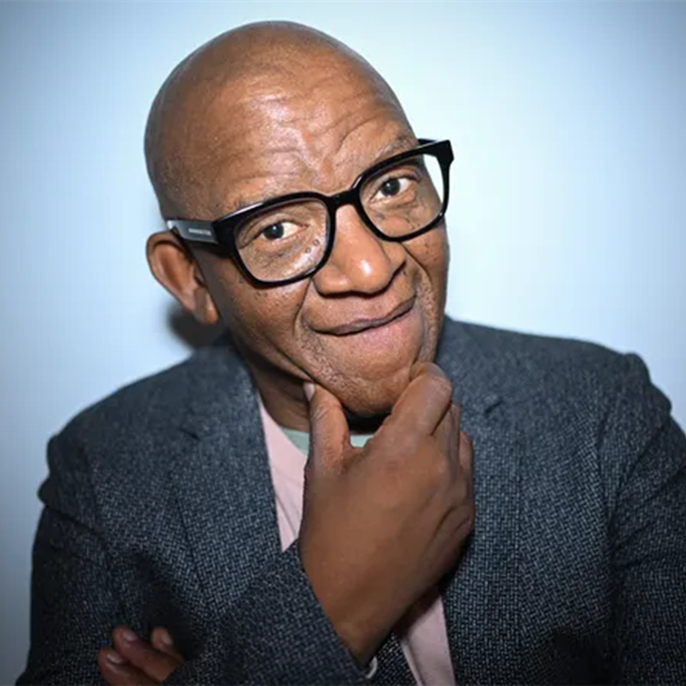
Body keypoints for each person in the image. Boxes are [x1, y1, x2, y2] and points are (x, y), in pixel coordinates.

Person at [16, 20, 686, 686]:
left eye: (391, 185)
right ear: (191, 278)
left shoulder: (603, 413)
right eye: (278, 227)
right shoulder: (104, 468)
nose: (371, 267)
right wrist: (337, 606)